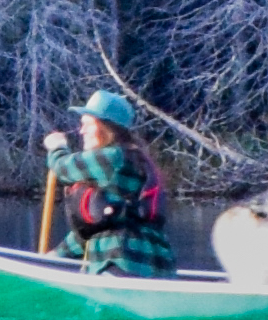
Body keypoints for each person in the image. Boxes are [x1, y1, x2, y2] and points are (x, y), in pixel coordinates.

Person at [38, 91, 177, 273]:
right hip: (157, 263)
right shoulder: (135, 160)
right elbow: (101, 225)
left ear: (106, 127)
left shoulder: (113, 158)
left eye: (87, 124)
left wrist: (57, 147)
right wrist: (56, 256)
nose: (81, 131)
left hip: (121, 261)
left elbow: (61, 168)